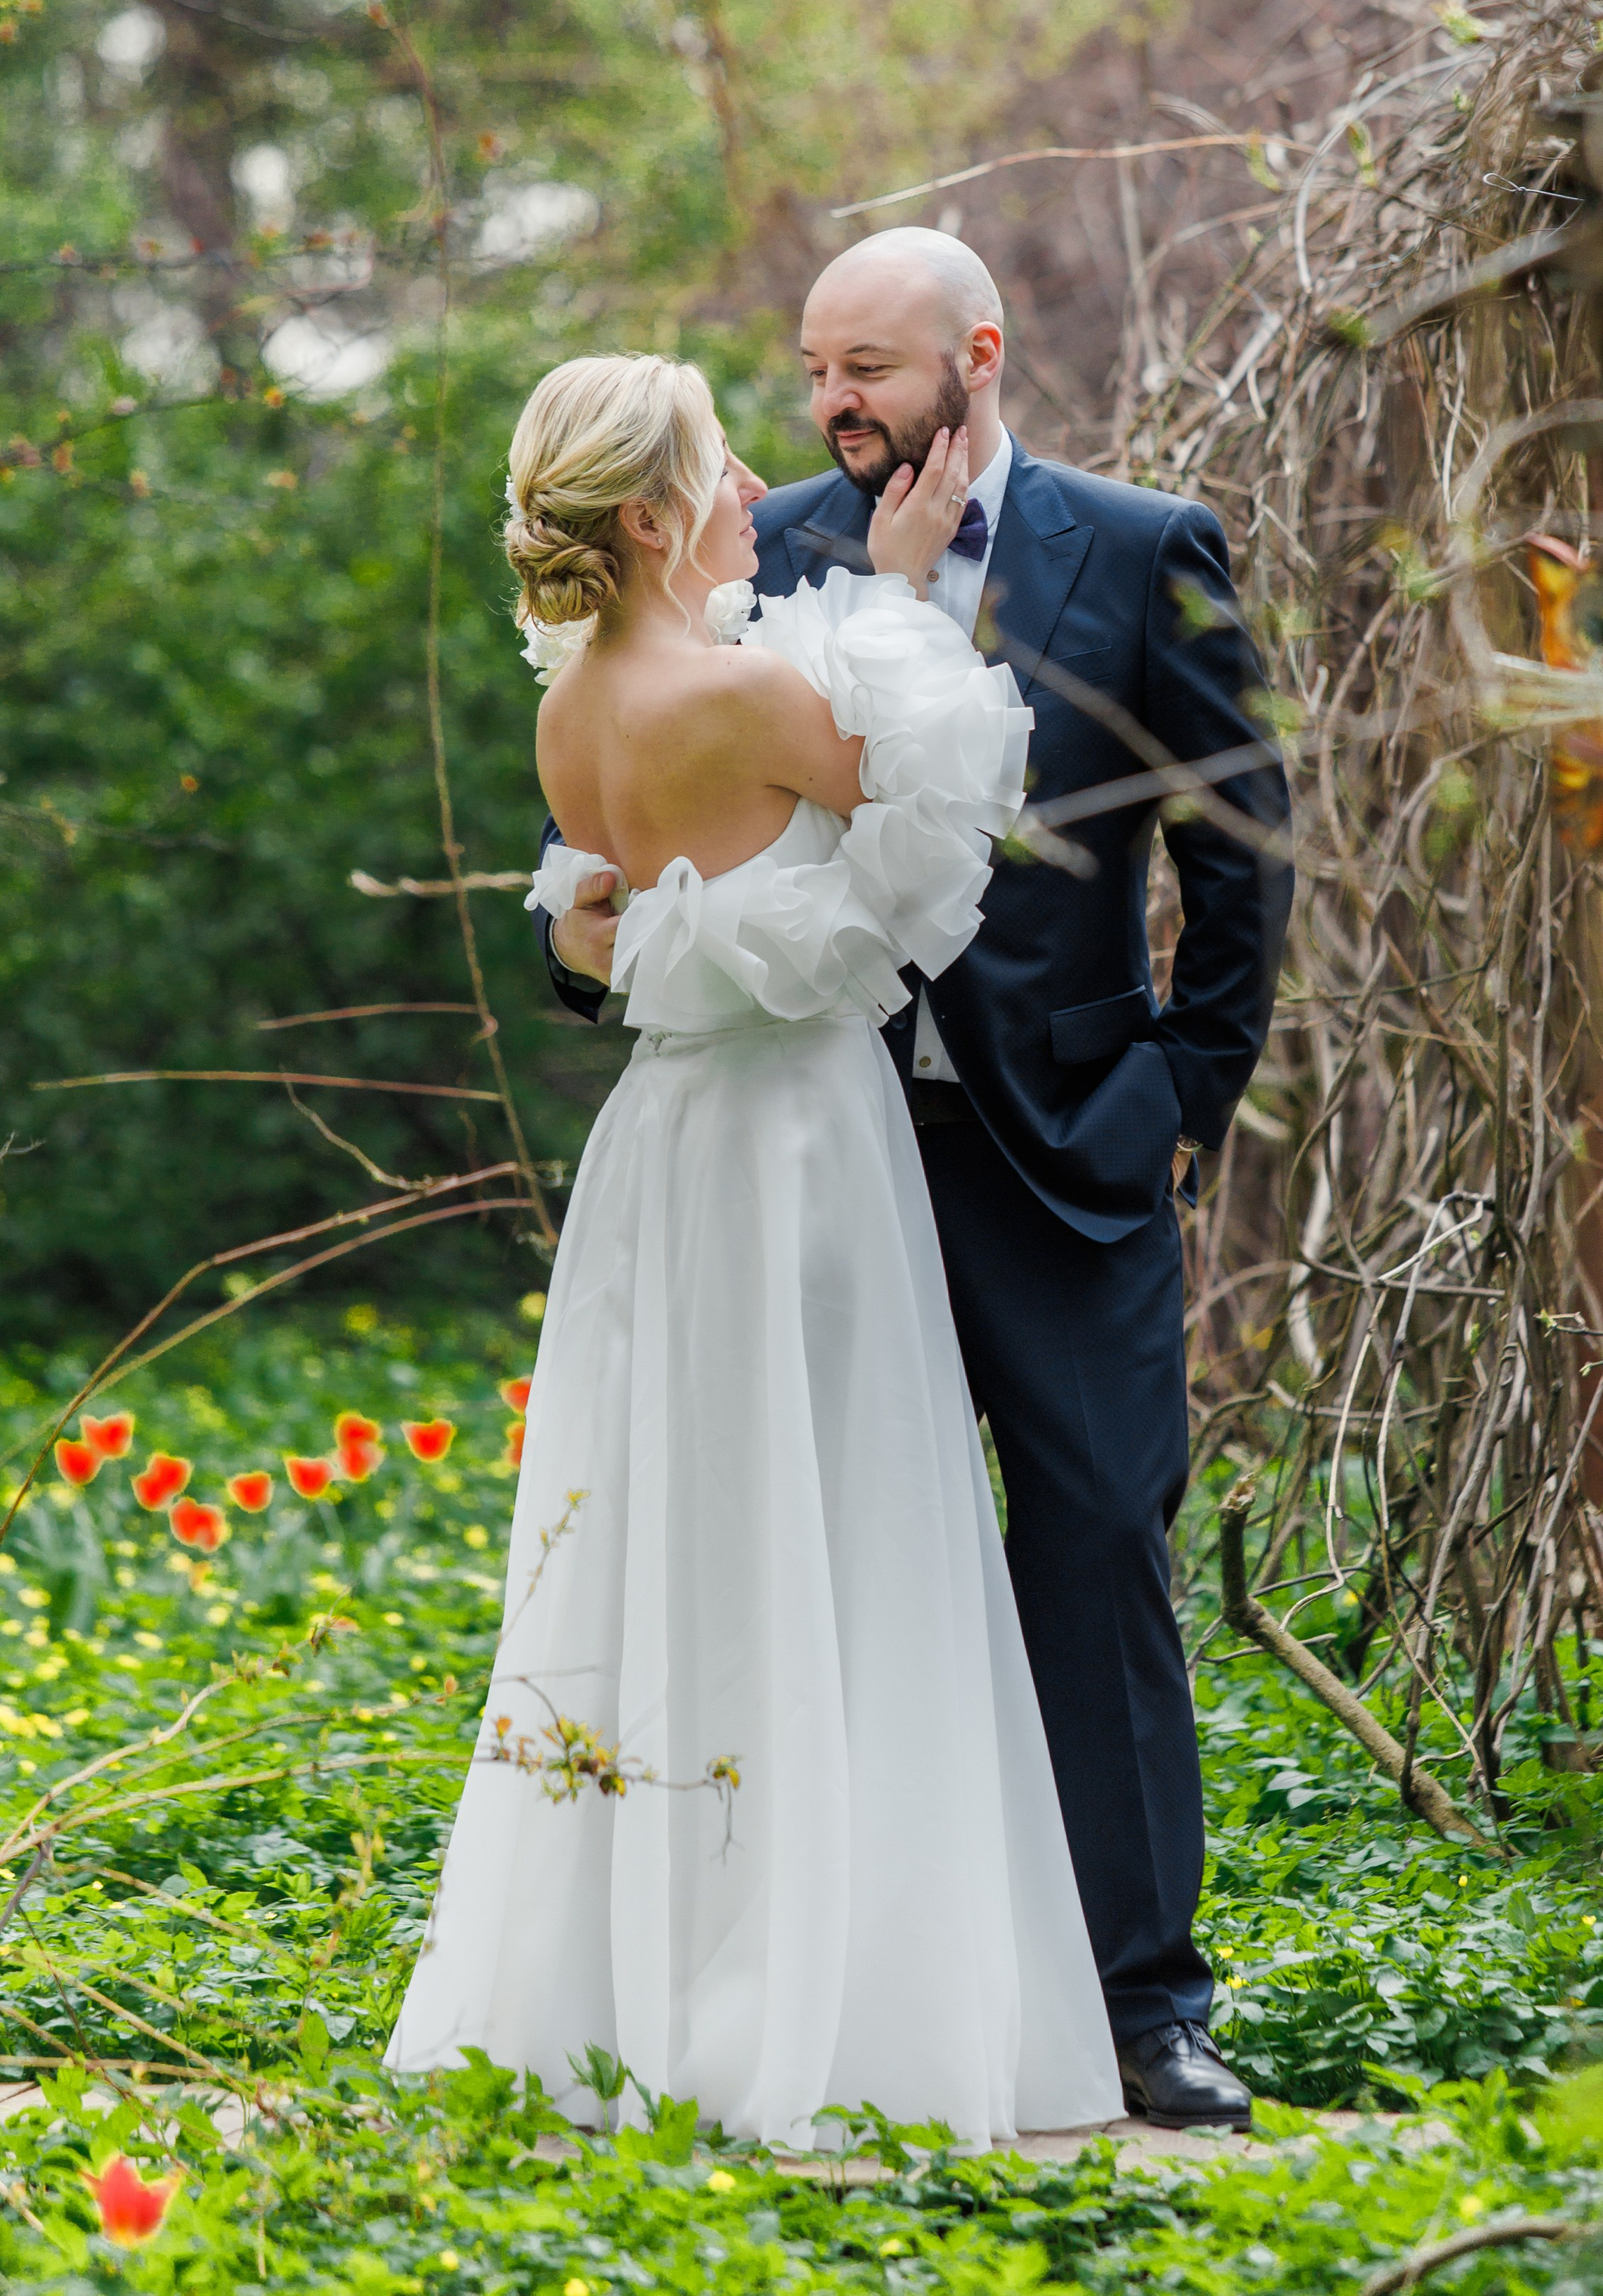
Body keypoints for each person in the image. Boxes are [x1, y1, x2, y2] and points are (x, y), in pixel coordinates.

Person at [546, 233, 1293, 2131]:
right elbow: (632, 831)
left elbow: (1241, 844)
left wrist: (1173, 1096)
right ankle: (856, 1982)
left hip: (1066, 1156)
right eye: (810, 371)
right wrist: (607, 954)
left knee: (1098, 1544)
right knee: (826, 1565)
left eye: (867, 368)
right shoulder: (752, 547)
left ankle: (1139, 2005)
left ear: (974, 349)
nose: (830, 406)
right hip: (820, 1150)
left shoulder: (1144, 548)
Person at [388, 351, 1123, 2149]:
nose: (747, 500)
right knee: (842, 1520)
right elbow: (935, 828)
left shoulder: (574, 716)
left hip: (667, 1143)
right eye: (718, 475)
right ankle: (834, 2008)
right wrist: (895, 585)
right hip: (799, 1142)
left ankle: (640, 1978)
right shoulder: (736, 696)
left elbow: (618, 919)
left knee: (679, 1538)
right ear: (645, 518)